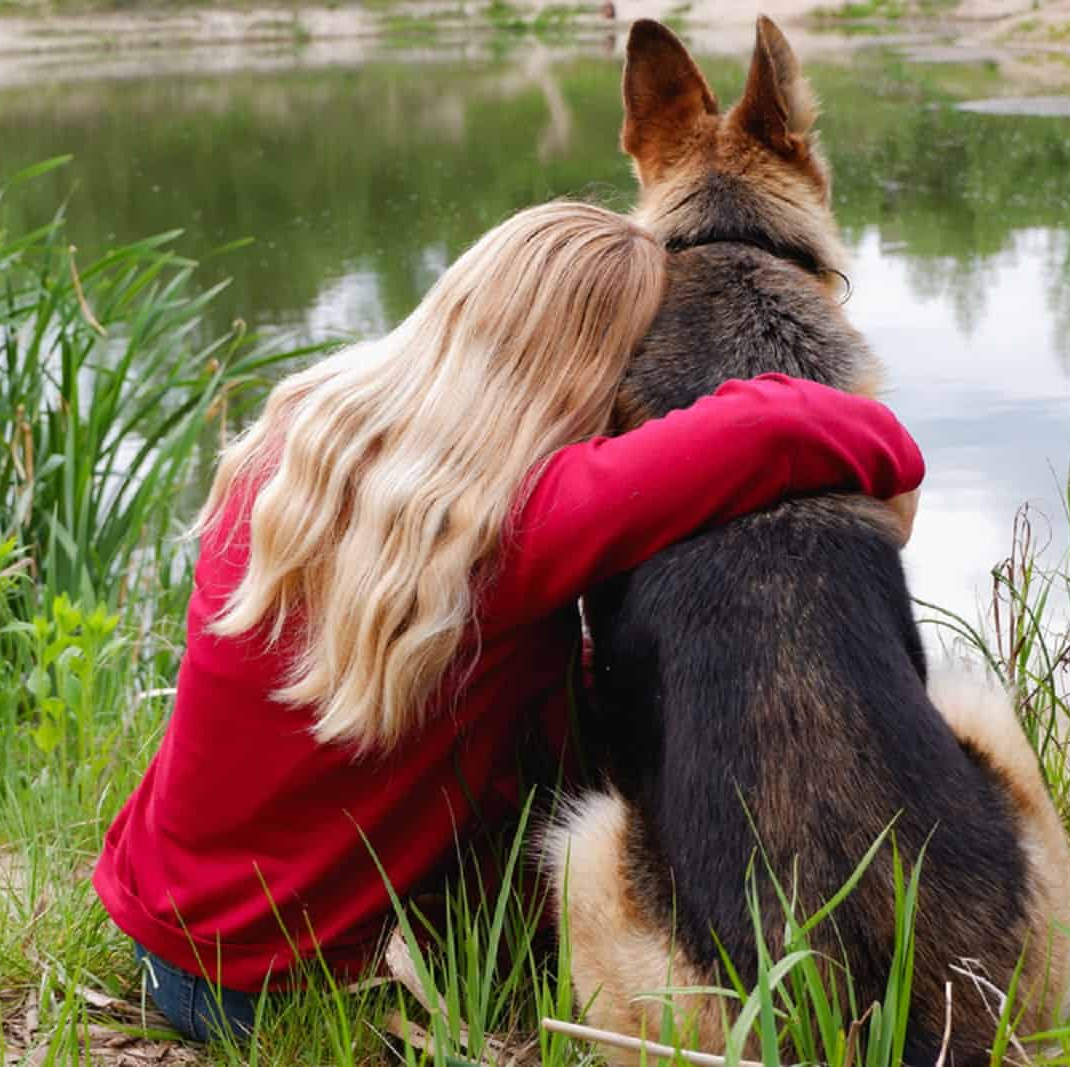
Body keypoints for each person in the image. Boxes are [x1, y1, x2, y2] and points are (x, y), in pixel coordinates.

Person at [92, 200, 925, 1042]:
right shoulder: (517, 525)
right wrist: (889, 473)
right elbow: (780, 425)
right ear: (585, 368)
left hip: (164, 937)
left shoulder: (299, 435)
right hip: (280, 995)